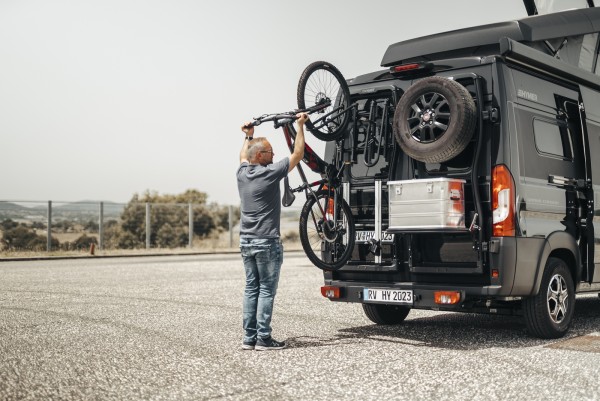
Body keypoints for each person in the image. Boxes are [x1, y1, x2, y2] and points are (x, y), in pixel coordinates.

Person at [236, 113, 308, 351]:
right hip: (267, 242)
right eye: (269, 152)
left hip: (246, 242)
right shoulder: (269, 173)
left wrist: (249, 136)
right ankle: (263, 338)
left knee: (251, 288)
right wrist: (299, 126)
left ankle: (249, 338)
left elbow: (242, 156)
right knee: (266, 290)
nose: (274, 155)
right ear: (259, 156)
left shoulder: (242, 174)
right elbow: (298, 154)